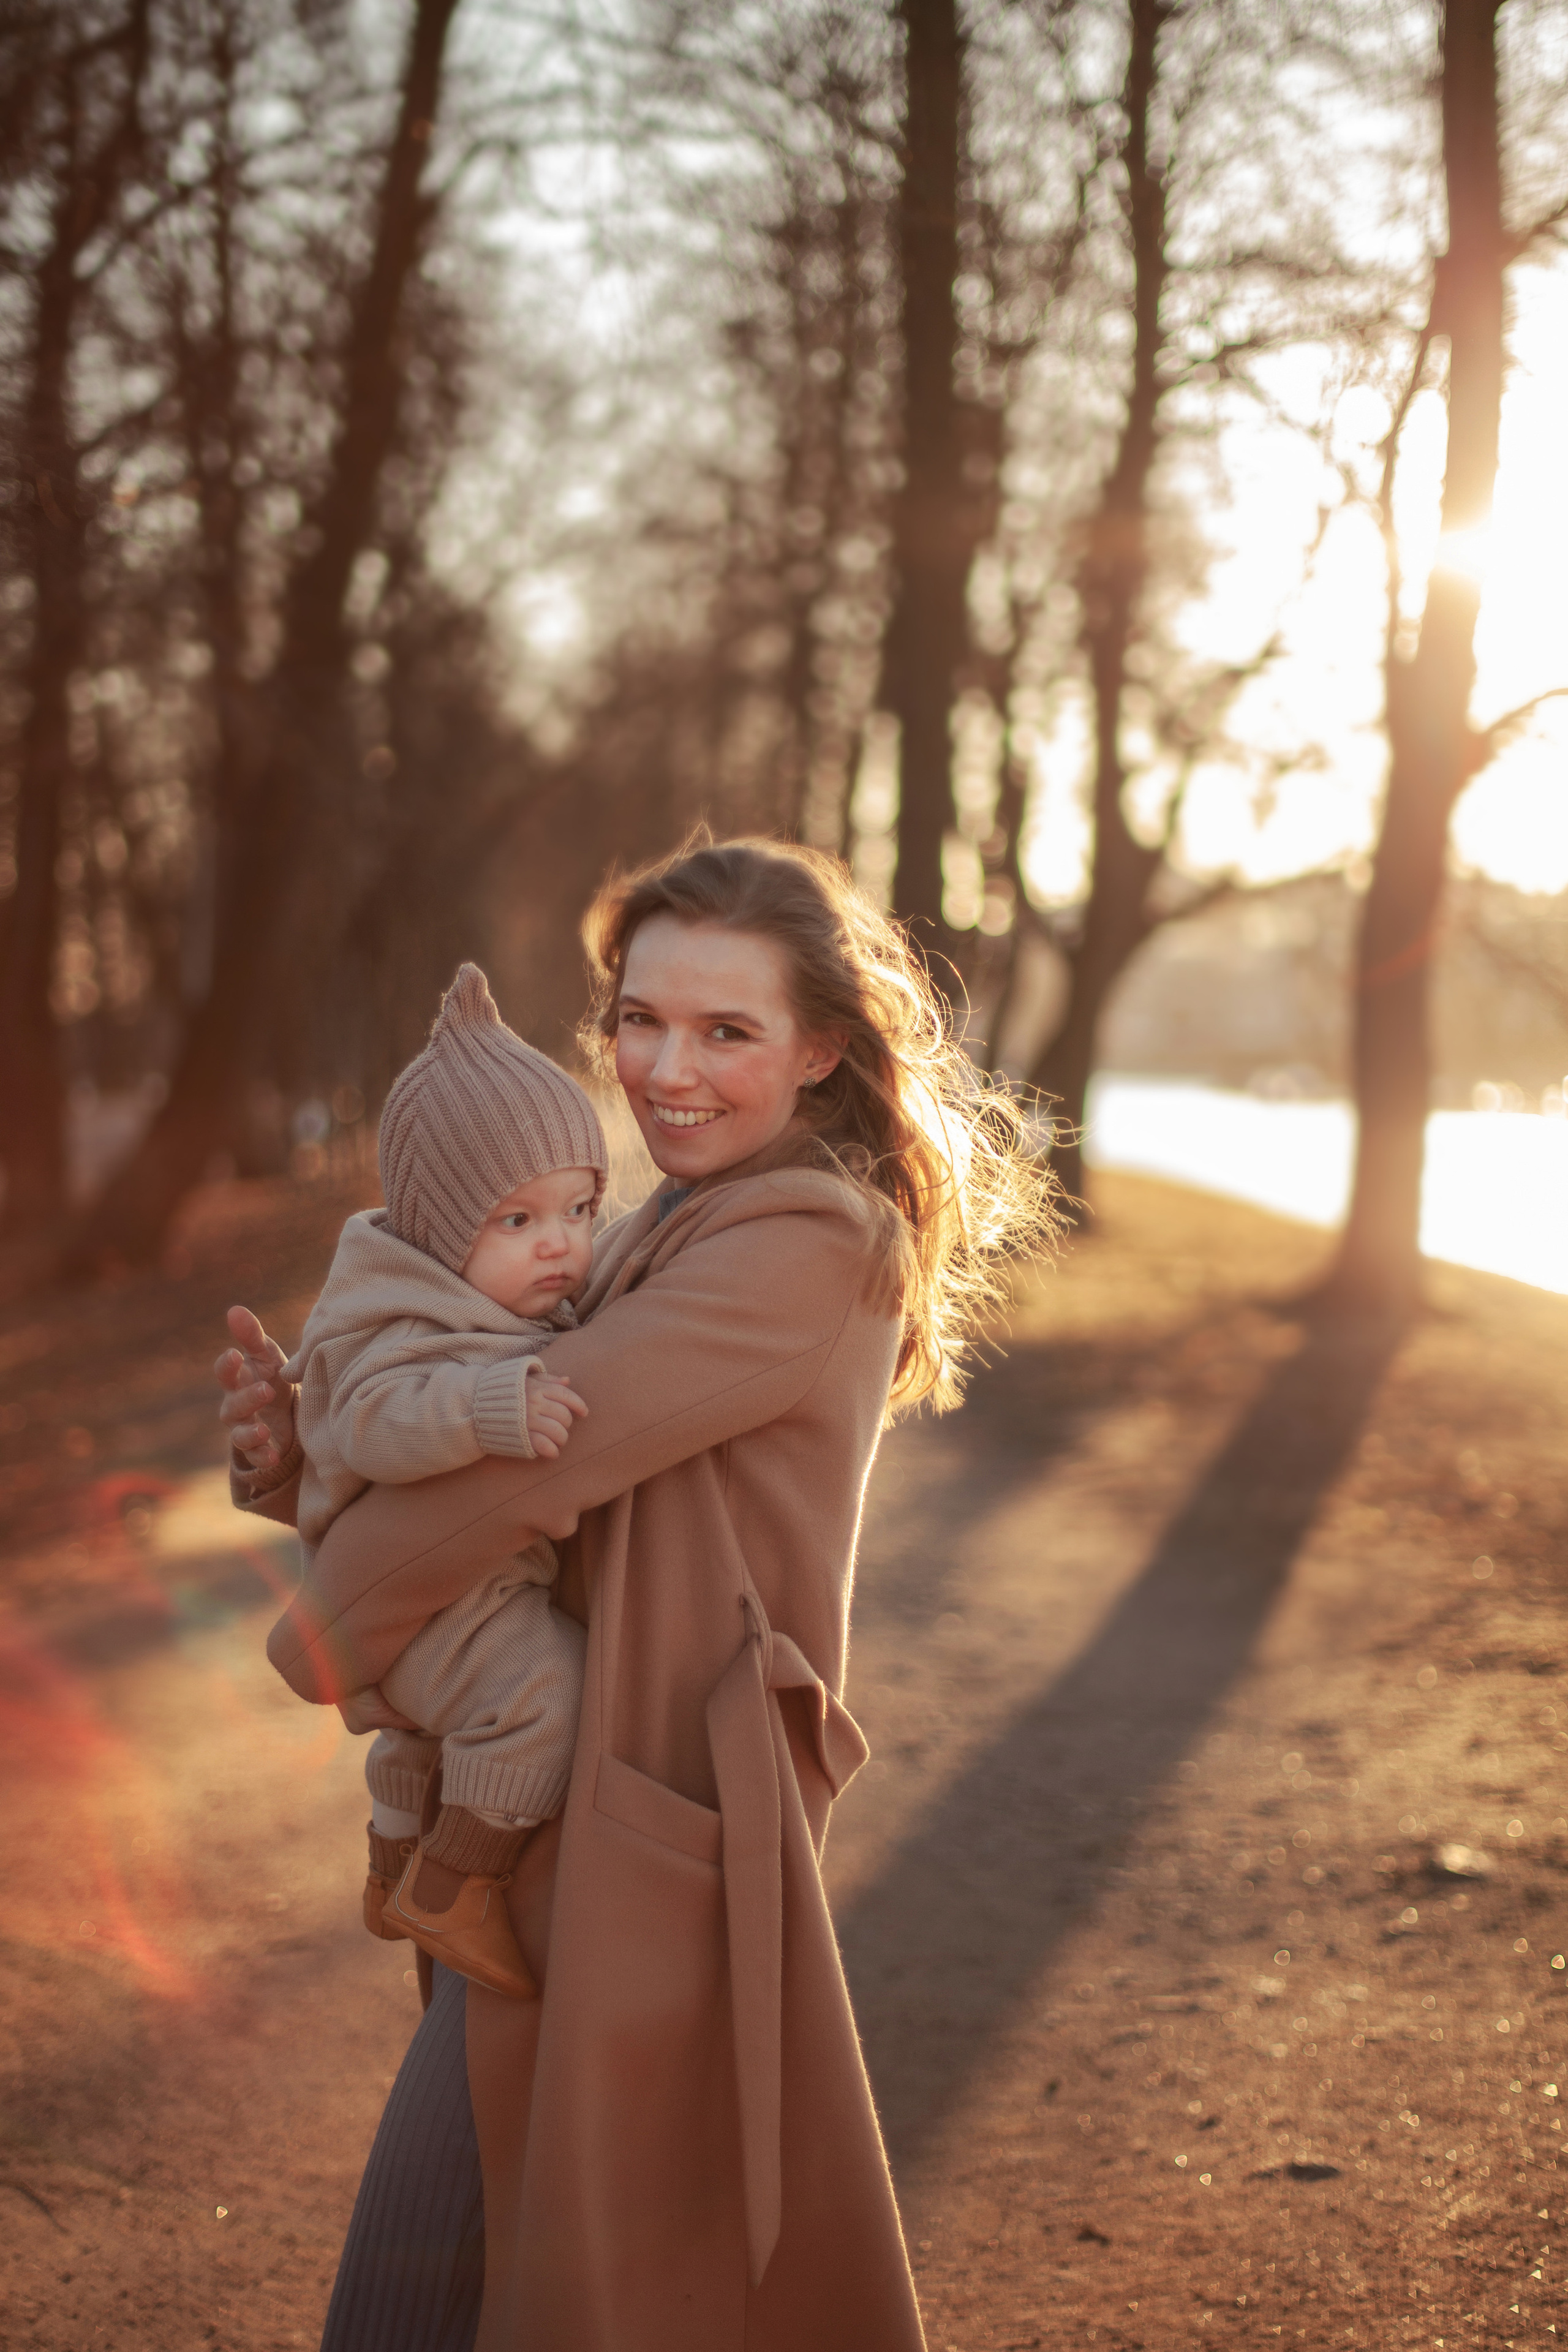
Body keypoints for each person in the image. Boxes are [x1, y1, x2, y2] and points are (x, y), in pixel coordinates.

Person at [217, 837, 1058, 2352]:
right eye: (640, 1020)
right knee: (488, 2253)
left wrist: (319, 1632)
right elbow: (496, 1469)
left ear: (816, 1051)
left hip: (648, 1795)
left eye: (726, 1032)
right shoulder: (653, 1224)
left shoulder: (801, 1238)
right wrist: (308, 1461)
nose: (668, 1069)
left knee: (433, 2267)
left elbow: (530, 1475)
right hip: (559, 1786)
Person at [282, 962, 605, 1997]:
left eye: (580, 1209)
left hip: (439, 1596)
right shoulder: (406, 1323)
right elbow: (376, 1425)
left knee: (437, 1729)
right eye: (517, 1222)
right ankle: (454, 1886)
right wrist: (488, 1410)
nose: (559, 1243)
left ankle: (392, 1863)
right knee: (547, 1686)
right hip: (422, 1606)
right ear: (437, 1232)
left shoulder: (476, 1292)